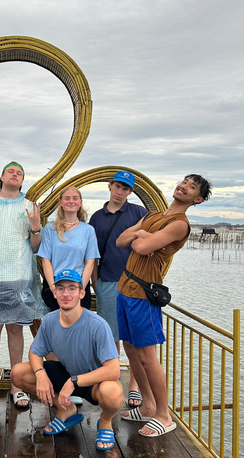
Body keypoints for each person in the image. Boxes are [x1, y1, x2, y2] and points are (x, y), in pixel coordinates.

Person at [115, 174, 212, 437]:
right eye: (184, 182)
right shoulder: (153, 215)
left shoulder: (180, 224)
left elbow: (144, 246)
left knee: (147, 356)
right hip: (125, 287)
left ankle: (163, 414)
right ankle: (147, 405)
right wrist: (141, 234)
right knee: (130, 349)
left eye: (192, 187)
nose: (184, 186)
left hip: (144, 294)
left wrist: (142, 237)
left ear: (198, 199)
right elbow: (121, 241)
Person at [10, 269, 123, 451]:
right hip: (66, 373)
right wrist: (40, 374)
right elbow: (34, 352)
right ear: (54, 293)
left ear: (82, 293)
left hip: (93, 381)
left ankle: (105, 421)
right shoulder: (49, 321)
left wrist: (75, 381)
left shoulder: (98, 325)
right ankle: (65, 409)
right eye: (61, 289)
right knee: (18, 374)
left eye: (72, 288)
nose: (66, 294)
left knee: (113, 393)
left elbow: (113, 370)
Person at [0, 161, 48, 410]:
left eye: (20, 173)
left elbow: (36, 246)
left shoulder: (29, 207)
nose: (15, 175)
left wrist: (36, 227)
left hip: (18, 275)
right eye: (11, 171)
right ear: (2, 176)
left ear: (23, 181)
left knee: (15, 330)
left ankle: (16, 385)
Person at [88, 170, 147, 409]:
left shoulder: (139, 213)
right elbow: (91, 253)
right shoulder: (96, 217)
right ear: (110, 187)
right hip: (108, 281)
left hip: (135, 282)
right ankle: (113, 380)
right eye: (117, 187)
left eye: (125, 188)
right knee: (111, 336)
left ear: (130, 192)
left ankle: (134, 387)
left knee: (134, 336)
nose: (120, 192)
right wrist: (95, 281)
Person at [38, 186, 99, 311]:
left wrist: (81, 287)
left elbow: (90, 262)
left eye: (75, 198)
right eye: (67, 198)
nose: (71, 201)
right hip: (55, 284)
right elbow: (46, 260)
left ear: (80, 203)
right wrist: (52, 287)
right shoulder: (50, 228)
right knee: (55, 327)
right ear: (61, 202)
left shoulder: (88, 230)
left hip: (78, 284)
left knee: (79, 328)